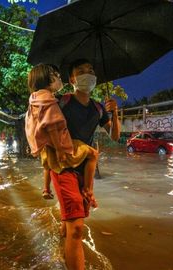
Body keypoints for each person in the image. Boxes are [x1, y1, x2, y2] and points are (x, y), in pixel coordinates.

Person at [49, 59, 120, 270]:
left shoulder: (99, 108)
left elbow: (115, 136)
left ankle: (61, 249)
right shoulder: (61, 101)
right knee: (78, 228)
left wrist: (114, 112)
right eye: (81, 71)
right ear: (72, 79)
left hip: (85, 167)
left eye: (90, 70)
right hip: (63, 167)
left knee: (71, 223)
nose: (87, 74)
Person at [25, 63, 98, 207]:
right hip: (60, 144)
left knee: (47, 164)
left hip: (47, 145)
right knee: (93, 154)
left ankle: (46, 188)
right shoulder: (50, 100)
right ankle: (89, 191)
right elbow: (52, 125)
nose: (60, 79)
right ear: (47, 79)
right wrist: (59, 149)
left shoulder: (36, 97)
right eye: (57, 76)